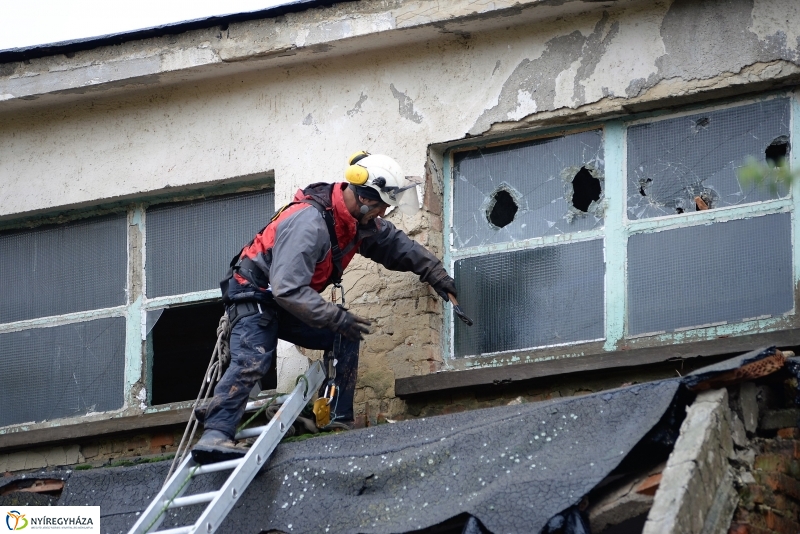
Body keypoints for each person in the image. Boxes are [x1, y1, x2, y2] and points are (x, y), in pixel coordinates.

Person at [192, 152, 457, 464]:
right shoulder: (309, 224)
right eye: (382, 205)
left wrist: (437, 274)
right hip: (254, 295)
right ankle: (216, 433)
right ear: (363, 197)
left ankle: (335, 417)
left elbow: (396, 245)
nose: (384, 212)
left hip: (282, 300)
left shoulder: (355, 222)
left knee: (345, 335)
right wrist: (334, 316)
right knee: (253, 357)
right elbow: (287, 289)